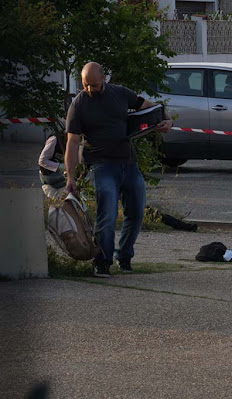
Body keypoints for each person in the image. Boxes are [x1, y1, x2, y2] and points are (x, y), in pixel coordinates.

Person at [65, 62, 172, 278]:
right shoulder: (79, 104)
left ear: (104, 79)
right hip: (101, 165)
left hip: (128, 162)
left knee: (136, 211)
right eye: (85, 85)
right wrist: (71, 177)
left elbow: (150, 107)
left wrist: (166, 119)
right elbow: (72, 143)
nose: (89, 89)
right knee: (108, 214)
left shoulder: (120, 93)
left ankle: (124, 256)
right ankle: (102, 261)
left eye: (94, 85)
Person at [38, 132, 66, 199]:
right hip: (49, 176)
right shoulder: (54, 139)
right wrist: (60, 166)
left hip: (60, 177)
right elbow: (42, 161)